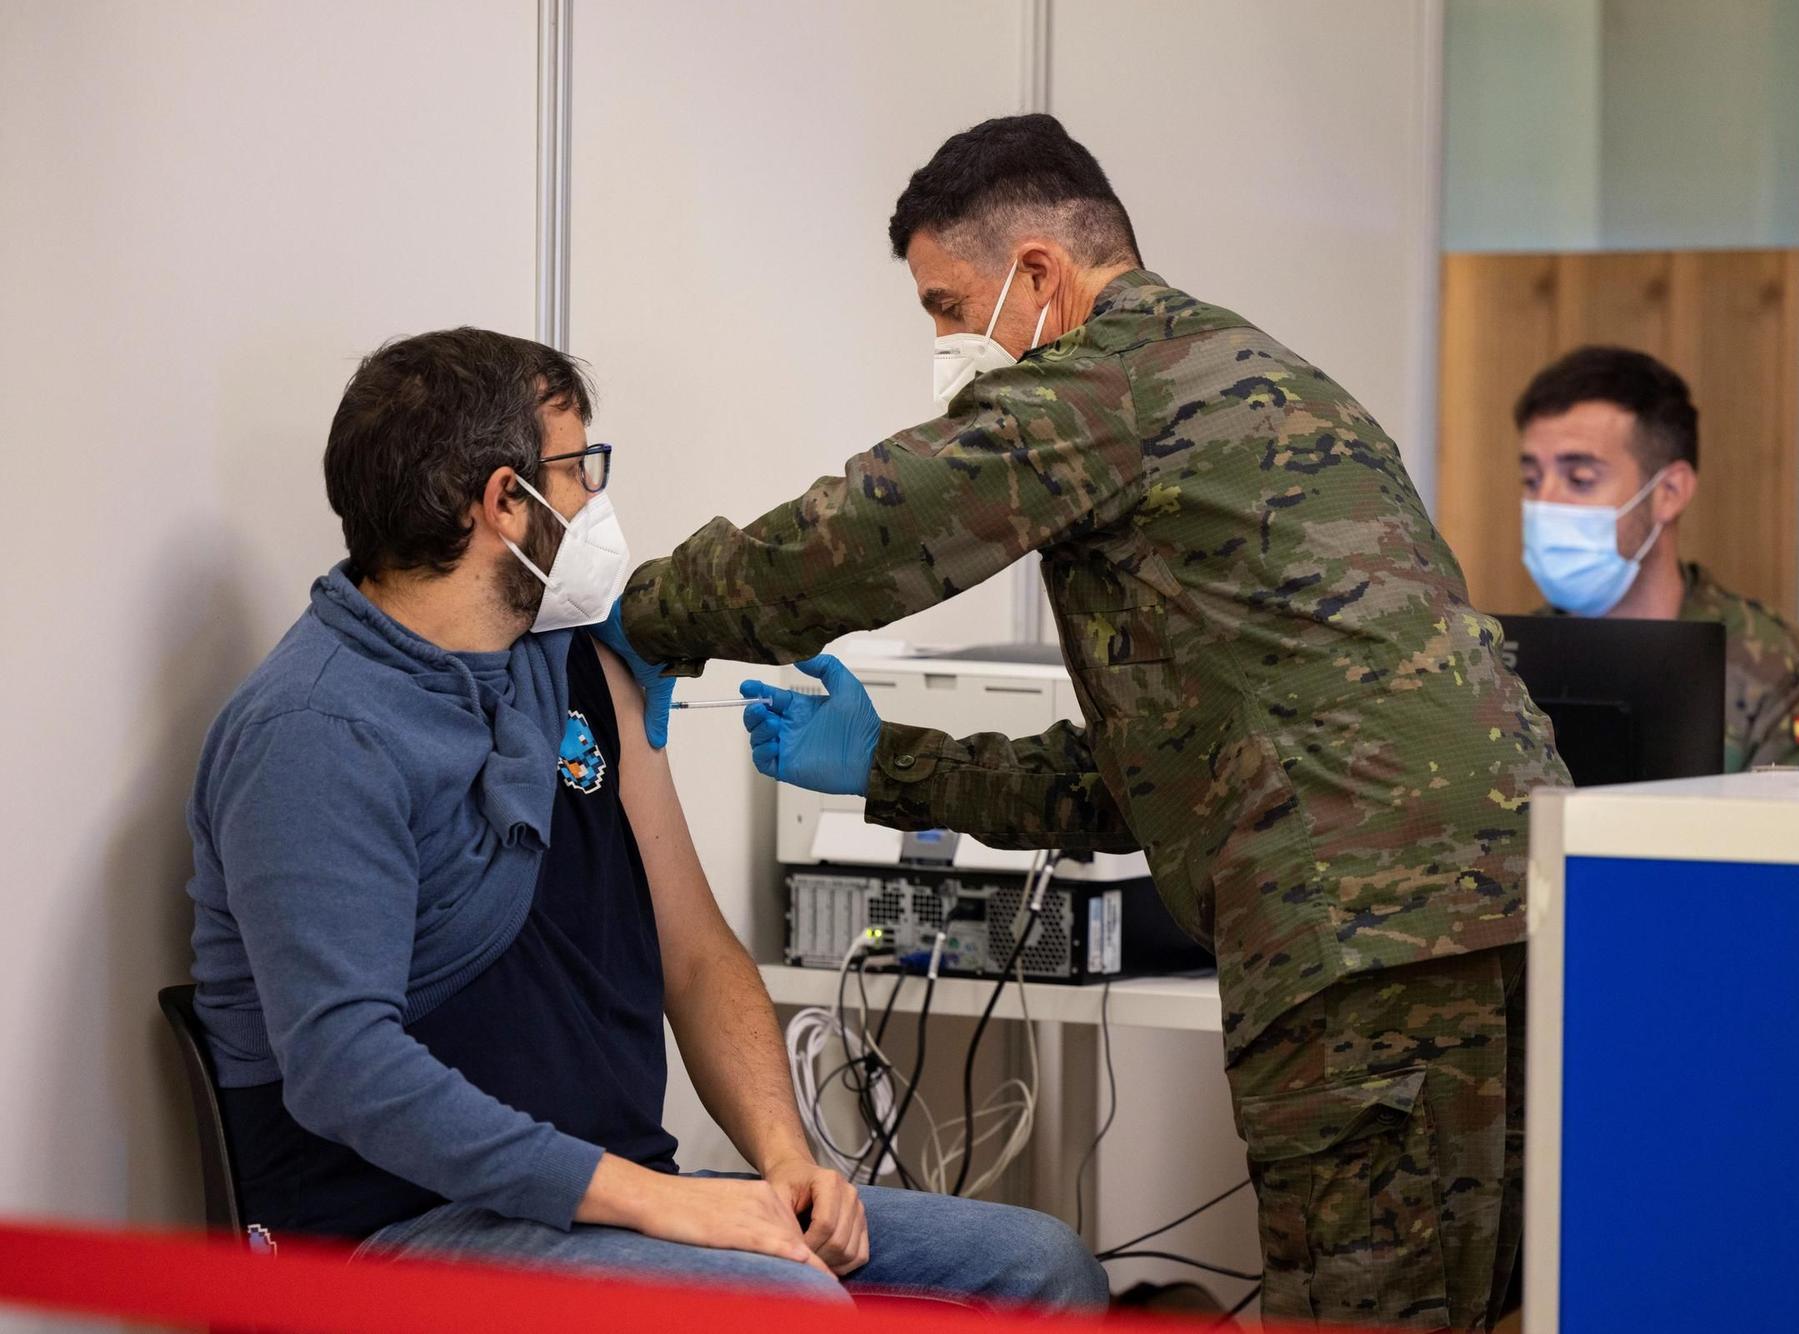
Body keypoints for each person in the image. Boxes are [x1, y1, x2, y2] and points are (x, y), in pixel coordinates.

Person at [593, 114, 1569, 1330]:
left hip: (1360, 938)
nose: (949, 342)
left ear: (1040, 273)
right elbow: (1157, 777)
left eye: (949, 305)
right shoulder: (1258, 381)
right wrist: (891, 764)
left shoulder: (1109, 380)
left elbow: (867, 534)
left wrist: (648, 612)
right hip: (1504, 922)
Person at [184, 327, 1104, 1310]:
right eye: (579, 470)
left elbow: (695, 951)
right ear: (503, 501)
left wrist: (786, 1161)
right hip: (395, 1229)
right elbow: (344, 1069)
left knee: (1038, 1265)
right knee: (787, 1308)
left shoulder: (574, 662)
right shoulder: (315, 731)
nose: (594, 504)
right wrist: (664, 1206)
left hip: (607, 1201)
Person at [1515, 345, 1799, 770]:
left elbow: (1797, 830)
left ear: (1669, 493)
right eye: (1531, 479)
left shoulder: (1781, 669)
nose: (1545, 503)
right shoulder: (1500, 664)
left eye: (1580, 479)